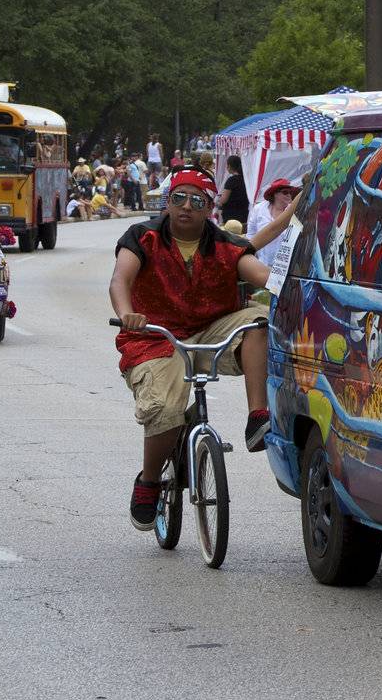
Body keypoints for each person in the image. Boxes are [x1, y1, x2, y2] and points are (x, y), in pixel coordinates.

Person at [110, 170, 280, 529]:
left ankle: (257, 416)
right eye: (179, 198)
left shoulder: (224, 244)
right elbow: (120, 280)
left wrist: (295, 283)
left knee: (259, 320)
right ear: (167, 202)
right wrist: (127, 314)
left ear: (209, 209)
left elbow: (261, 276)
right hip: (155, 337)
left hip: (207, 332)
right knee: (164, 409)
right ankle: (150, 481)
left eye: (197, 201)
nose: (187, 206)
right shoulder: (143, 237)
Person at [246, 177, 301, 266]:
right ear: (275, 194)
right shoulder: (259, 209)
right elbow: (251, 234)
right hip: (261, 263)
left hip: (285, 266)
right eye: (285, 192)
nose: (289, 195)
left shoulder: (294, 211)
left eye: (290, 193)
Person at [216, 154, 250, 227]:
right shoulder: (246, 179)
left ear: (229, 166)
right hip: (244, 213)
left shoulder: (231, 180)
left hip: (231, 215)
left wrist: (218, 200)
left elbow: (224, 199)